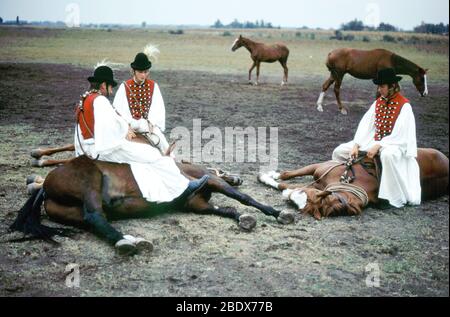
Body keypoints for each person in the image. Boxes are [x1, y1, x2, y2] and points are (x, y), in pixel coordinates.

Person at [74, 64, 209, 205]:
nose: (111, 90)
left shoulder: (84, 99)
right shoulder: (100, 101)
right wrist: (125, 130)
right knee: (154, 155)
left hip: (86, 148)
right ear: (103, 85)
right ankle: (184, 188)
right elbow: (108, 128)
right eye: (110, 86)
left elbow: (84, 130)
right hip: (102, 150)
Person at [332, 68, 421, 208]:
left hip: (395, 144)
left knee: (388, 156)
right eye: (379, 86)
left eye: (382, 86)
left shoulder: (404, 106)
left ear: (392, 86)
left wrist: (380, 145)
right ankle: (344, 181)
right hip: (373, 141)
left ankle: (390, 198)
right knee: (340, 151)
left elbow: (402, 134)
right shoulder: (378, 103)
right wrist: (356, 144)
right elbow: (365, 126)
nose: (379, 89)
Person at [113, 45, 172, 156]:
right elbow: (118, 110)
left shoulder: (153, 86)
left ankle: (171, 161)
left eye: (146, 72)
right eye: (140, 72)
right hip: (130, 124)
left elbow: (157, 107)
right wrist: (126, 127)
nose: (143, 75)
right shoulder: (125, 86)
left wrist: (151, 122)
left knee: (163, 143)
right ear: (134, 71)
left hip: (146, 124)